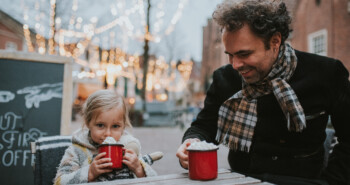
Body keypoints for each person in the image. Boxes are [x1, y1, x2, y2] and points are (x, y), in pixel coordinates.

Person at [176, 0, 350, 184]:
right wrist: (191, 141)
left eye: (244, 54)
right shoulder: (225, 78)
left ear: (275, 41)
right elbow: (204, 126)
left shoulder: (326, 74)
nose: (235, 65)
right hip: (241, 179)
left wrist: (333, 181)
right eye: (230, 55)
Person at [54, 90, 156, 184]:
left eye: (115, 126)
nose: (108, 134)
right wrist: (89, 173)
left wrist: (139, 169)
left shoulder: (128, 147)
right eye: (100, 125)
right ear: (88, 123)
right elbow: (59, 181)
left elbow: (155, 181)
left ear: (123, 126)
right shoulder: (77, 151)